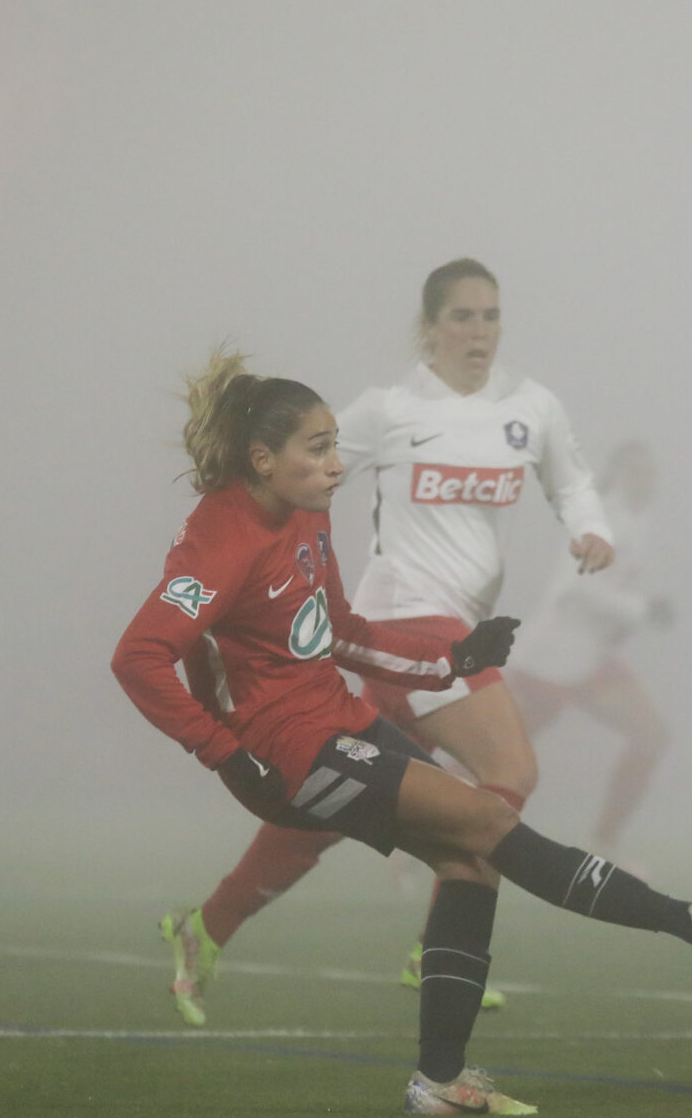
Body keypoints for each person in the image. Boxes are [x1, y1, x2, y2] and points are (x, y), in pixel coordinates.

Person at [113, 350, 692, 1116]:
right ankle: (690, 921)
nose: (334, 464)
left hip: (339, 719)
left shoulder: (307, 515)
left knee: (469, 860)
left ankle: (440, 1082)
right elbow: (138, 656)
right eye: (316, 449)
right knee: (490, 819)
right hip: (284, 752)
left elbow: (341, 633)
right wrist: (222, 749)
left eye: (332, 445)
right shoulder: (220, 537)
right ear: (262, 459)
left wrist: (448, 659)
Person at [158, 258, 615, 1025]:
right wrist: (228, 542)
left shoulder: (532, 409)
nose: (480, 331)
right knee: (508, 767)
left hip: (449, 632)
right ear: (429, 327)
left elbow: (569, 479)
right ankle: (442, 933)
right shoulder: (389, 409)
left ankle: (206, 927)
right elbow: (296, 463)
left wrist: (590, 527)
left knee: (337, 810)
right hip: (400, 616)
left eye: (491, 315)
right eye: (463, 316)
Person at [508, 442, 674, 861]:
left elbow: (609, 589)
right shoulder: (601, 520)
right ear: (614, 476)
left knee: (652, 735)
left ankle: (603, 844)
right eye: (634, 471)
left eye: (649, 472)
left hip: (588, 660)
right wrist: (641, 610)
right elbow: (576, 585)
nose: (645, 481)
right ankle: (410, 821)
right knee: (500, 760)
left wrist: (628, 617)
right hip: (551, 661)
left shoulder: (635, 524)